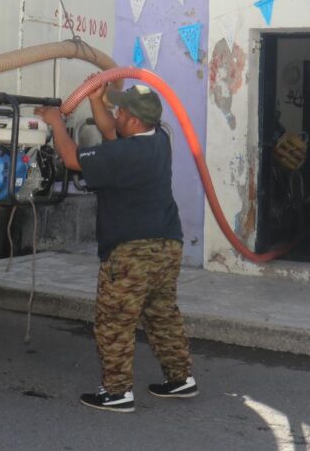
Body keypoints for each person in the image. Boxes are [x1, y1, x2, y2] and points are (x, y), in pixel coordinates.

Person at [35, 82, 196, 414]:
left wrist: (56, 123)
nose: (116, 114)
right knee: (162, 313)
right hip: (167, 246)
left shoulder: (122, 154)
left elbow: (70, 157)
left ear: (135, 122)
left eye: (121, 112)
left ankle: (117, 392)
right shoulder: (160, 141)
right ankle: (180, 379)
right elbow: (110, 131)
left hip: (131, 252)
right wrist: (96, 100)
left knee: (114, 322)